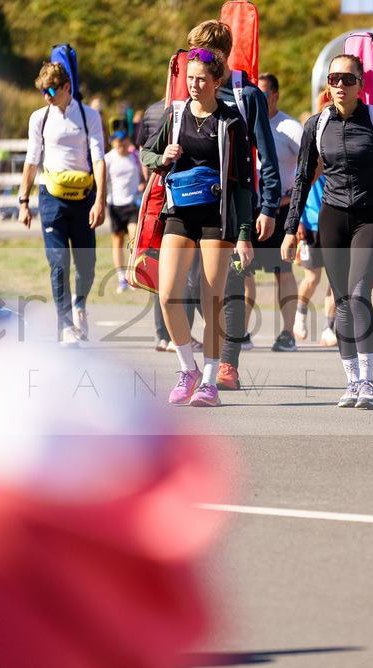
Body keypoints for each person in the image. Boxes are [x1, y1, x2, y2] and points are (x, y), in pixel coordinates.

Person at [0, 2, 231, 668]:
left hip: (138, 207)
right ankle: (133, 340)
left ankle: (151, 341)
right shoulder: (110, 416)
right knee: (72, 274)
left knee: (88, 272)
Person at [282, 54, 373, 408]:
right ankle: (352, 381)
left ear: (361, 84)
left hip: (369, 217)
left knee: (359, 295)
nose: (340, 85)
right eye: (333, 79)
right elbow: (302, 178)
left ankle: (369, 380)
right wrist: (291, 227)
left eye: (347, 79)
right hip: (332, 218)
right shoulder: (317, 124)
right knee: (342, 300)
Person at [140, 47, 254, 407]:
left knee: (212, 301)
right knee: (168, 295)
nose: (194, 84)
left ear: (217, 81)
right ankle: (187, 369)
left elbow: (244, 183)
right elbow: (146, 153)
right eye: (190, 78)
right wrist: (162, 157)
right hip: (179, 214)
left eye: (202, 79)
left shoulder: (231, 122)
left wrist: (244, 234)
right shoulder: (175, 114)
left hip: (216, 218)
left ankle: (209, 382)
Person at [186, 20, 281, 391]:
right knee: (193, 285)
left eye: (201, 51)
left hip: (235, 203)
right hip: (192, 202)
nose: (194, 58)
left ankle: (227, 364)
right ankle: (210, 354)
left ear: (221, 55)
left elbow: (266, 154)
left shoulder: (247, 94)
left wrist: (268, 206)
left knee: (232, 284)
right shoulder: (187, 87)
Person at [19, 61, 106, 348]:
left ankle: (79, 305)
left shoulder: (89, 115)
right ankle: (66, 324)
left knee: (87, 265)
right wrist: (23, 201)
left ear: (67, 87)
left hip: (83, 198)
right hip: (51, 198)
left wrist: (100, 201)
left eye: (51, 90)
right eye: (42, 91)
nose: (46, 96)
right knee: (59, 262)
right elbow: (32, 160)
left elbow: (98, 159)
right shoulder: (40, 118)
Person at [245, 72, 303, 352]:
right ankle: (241, 333)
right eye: (254, 94)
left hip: (279, 209)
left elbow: (314, 163)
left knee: (283, 270)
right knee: (243, 270)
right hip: (249, 209)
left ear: (276, 96)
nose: (258, 99)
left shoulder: (289, 127)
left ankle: (288, 334)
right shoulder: (244, 122)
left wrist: (292, 198)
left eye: (264, 94)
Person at [136, 97, 176, 352]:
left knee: (163, 266)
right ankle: (172, 335)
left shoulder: (151, 108)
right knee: (173, 269)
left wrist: (151, 182)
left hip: (157, 191)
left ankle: (164, 335)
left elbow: (144, 148)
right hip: (167, 196)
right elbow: (145, 150)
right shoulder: (169, 110)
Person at [293, 173, 338, 346]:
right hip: (310, 225)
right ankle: (300, 313)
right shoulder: (310, 159)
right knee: (312, 278)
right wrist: (297, 221)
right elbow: (297, 189)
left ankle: (328, 328)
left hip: (335, 225)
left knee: (335, 280)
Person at [104, 130, 145, 293]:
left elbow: (143, 176)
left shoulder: (135, 157)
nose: (120, 145)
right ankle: (122, 278)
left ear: (128, 141)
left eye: (123, 142)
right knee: (118, 242)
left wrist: (142, 184)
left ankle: (132, 274)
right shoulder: (108, 159)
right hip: (115, 205)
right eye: (117, 143)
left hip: (132, 203)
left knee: (134, 238)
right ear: (113, 143)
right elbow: (103, 180)